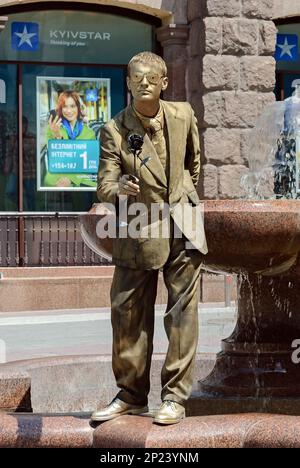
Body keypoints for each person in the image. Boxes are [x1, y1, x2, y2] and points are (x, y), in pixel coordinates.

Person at [91, 52, 207, 425]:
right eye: (136, 77)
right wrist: (120, 188)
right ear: (127, 83)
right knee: (127, 313)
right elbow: (103, 186)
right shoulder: (114, 129)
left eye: (151, 77)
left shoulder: (184, 114)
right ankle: (130, 395)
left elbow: (194, 164)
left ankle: (174, 397)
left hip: (182, 223)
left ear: (164, 83)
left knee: (182, 314)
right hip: (139, 227)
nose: (144, 82)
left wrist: (182, 195)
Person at [44, 90, 96, 188]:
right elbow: (55, 161)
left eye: (72, 106)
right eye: (65, 106)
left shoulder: (89, 133)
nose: (69, 111)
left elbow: (89, 165)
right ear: (60, 108)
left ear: (78, 108)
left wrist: (71, 179)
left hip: (82, 180)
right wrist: (57, 137)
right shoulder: (52, 129)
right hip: (57, 179)